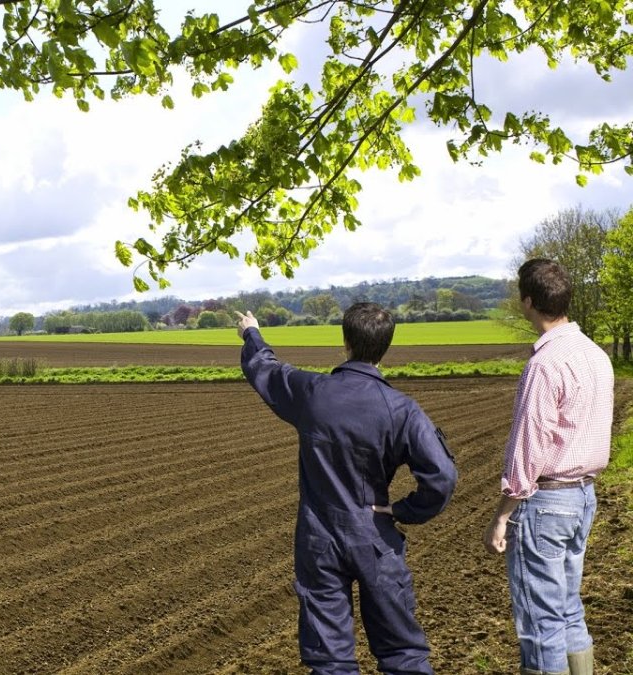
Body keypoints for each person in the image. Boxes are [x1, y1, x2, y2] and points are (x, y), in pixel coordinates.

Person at [235, 302, 457, 674]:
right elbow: (442, 477)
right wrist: (403, 510)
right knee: (403, 654)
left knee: (330, 660)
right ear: (385, 347)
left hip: (318, 538)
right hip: (375, 536)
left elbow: (266, 370)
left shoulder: (312, 392)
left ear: (345, 341)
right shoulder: (401, 409)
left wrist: (251, 332)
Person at [482, 259, 614, 675]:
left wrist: (502, 516)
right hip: (583, 496)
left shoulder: (544, 365)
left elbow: (528, 446)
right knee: (568, 608)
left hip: (545, 503)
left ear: (528, 302)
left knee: (540, 622)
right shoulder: (596, 355)